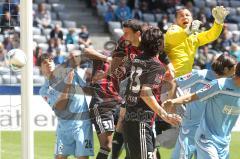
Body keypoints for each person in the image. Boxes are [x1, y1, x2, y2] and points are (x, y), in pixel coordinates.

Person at [123, 27, 181, 159]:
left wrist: (159, 78)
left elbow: (140, 83)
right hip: (141, 122)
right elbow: (145, 91)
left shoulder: (138, 59)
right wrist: (164, 114)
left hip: (131, 118)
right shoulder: (155, 65)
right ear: (159, 43)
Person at [162, 62, 240, 159]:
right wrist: (173, 102)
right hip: (206, 139)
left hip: (224, 142)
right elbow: (193, 96)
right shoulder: (219, 84)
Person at [39, 52, 94, 159]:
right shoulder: (44, 90)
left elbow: (86, 89)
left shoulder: (68, 72)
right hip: (63, 127)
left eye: (50, 61)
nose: (48, 63)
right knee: (59, 157)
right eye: (45, 63)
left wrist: (89, 71)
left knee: (82, 157)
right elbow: (60, 106)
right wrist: (68, 84)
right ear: (41, 69)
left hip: (82, 124)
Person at [164, 6, 229, 77]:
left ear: (192, 19)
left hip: (185, 76)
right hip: (170, 74)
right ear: (176, 20)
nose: (185, 17)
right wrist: (188, 31)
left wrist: (218, 23)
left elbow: (210, 35)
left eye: (187, 15)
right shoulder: (173, 29)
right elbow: (174, 36)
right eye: (181, 16)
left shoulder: (194, 36)